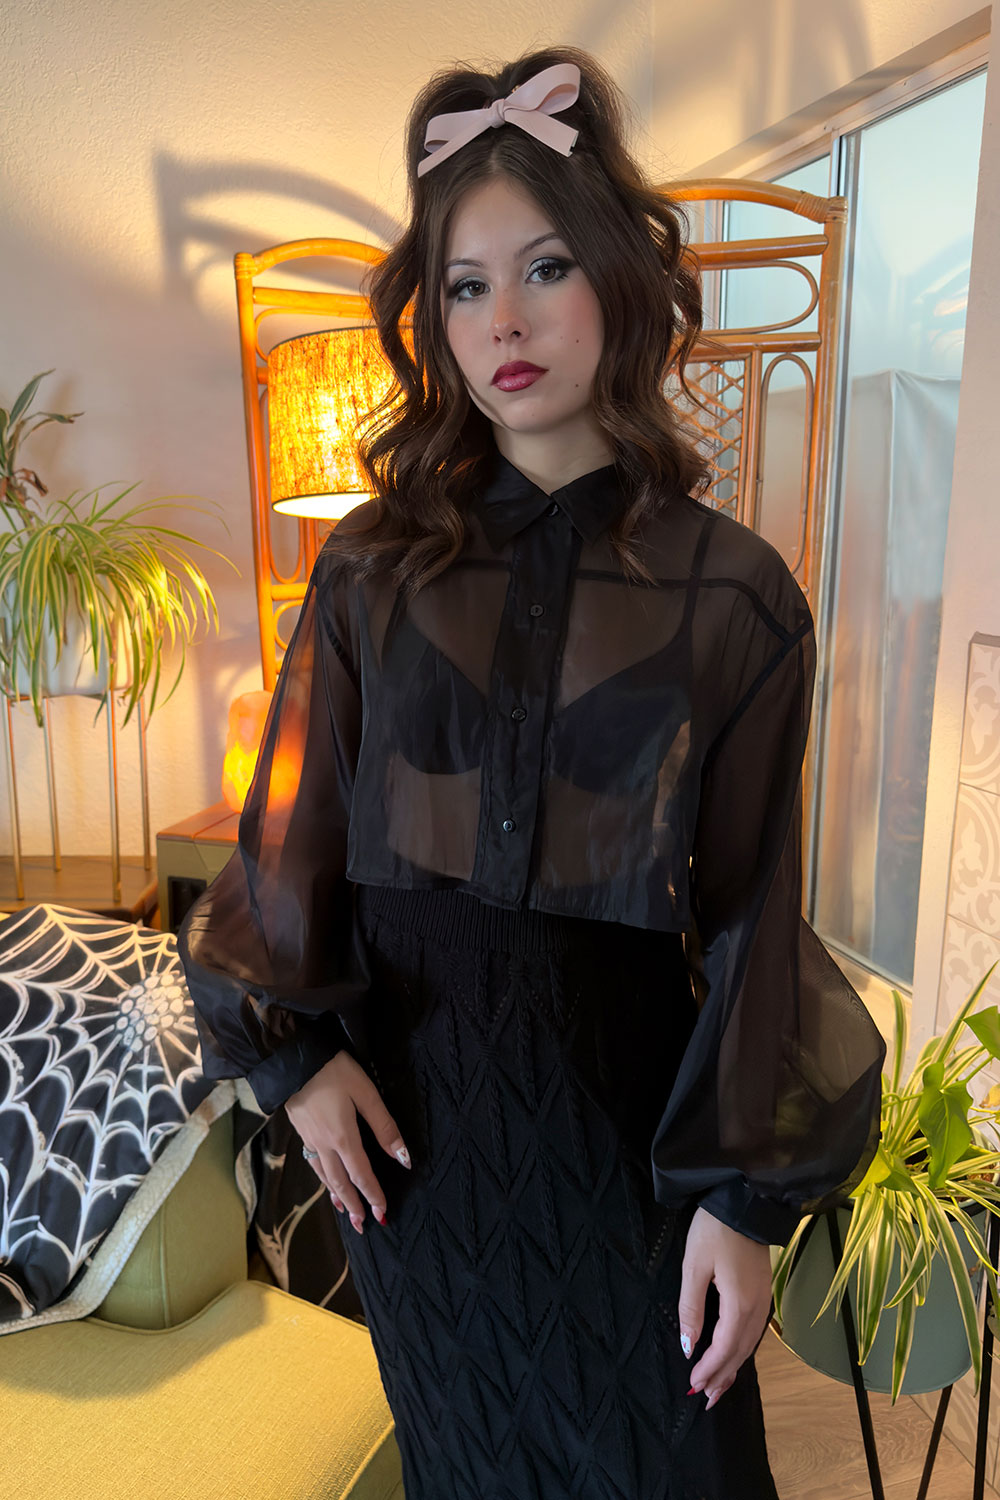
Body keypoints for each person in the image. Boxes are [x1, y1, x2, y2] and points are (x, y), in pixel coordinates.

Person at [177, 44, 886, 1500]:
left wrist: (740, 1206)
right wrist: (296, 1061)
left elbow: (752, 913)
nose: (503, 319)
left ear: (617, 277)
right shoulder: (370, 572)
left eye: (546, 267)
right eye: (465, 284)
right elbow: (289, 845)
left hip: (629, 1156)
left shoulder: (735, 596)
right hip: (419, 1170)